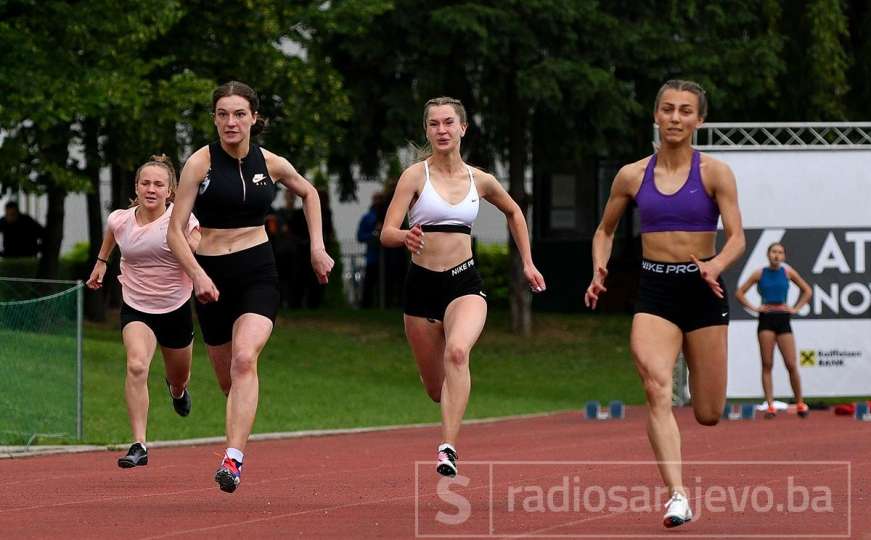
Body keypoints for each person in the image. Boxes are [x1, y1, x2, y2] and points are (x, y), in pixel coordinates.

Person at [584, 80, 745, 528]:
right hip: (655, 291)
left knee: (709, 413)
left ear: (700, 120)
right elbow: (604, 230)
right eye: (668, 109)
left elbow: (737, 238)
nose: (676, 118)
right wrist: (600, 267)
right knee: (656, 387)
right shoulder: (632, 175)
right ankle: (677, 496)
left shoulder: (715, 173)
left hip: (702, 291)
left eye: (686, 111)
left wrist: (715, 266)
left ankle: (698, 371)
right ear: (655, 115)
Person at [167, 81, 334, 493]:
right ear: (214, 119)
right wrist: (198, 275)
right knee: (229, 381)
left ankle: (233, 459)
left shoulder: (271, 162)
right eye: (222, 114)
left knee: (245, 360)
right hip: (209, 275)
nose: (231, 122)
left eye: (239, 114)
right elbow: (174, 231)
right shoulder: (199, 164)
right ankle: (197, 399)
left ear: (254, 118)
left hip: (257, 270)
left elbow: (309, 192)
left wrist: (317, 247)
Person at [380, 97, 546, 478]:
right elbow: (387, 232)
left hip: (464, 282)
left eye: (448, 123)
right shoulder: (414, 176)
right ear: (427, 130)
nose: (442, 130)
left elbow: (514, 211)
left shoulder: (480, 180)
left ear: (462, 129)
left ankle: (447, 448)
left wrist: (528, 262)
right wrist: (404, 235)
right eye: (434, 124)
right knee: (436, 390)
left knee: (457, 352)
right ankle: (441, 400)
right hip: (420, 287)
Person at [86, 155, 200, 468]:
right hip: (136, 308)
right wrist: (101, 263)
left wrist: (192, 246)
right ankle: (139, 444)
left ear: (170, 191)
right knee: (136, 365)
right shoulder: (121, 219)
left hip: (175, 309)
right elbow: (112, 235)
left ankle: (177, 392)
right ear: (136, 188)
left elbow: (195, 243)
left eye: (158, 184)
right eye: (145, 183)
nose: (151, 189)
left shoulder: (182, 219)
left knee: (178, 378)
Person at [735, 242, 812, 418]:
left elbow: (807, 290)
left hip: (783, 318)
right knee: (767, 363)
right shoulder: (759, 273)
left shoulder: (787, 272)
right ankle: (770, 406)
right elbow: (740, 293)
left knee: (791, 364)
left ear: (784, 256)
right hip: (766, 320)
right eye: (774, 252)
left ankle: (800, 403)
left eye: (780, 252)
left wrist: (796, 308)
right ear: (768, 255)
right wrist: (755, 308)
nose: (777, 255)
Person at [357, 191, 385, 308]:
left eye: (380, 199)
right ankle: (366, 306)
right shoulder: (368, 217)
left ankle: (385, 305)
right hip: (373, 257)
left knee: (384, 284)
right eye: (376, 199)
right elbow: (360, 236)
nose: (378, 202)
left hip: (387, 257)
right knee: (369, 283)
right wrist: (373, 235)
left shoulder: (388, 215)